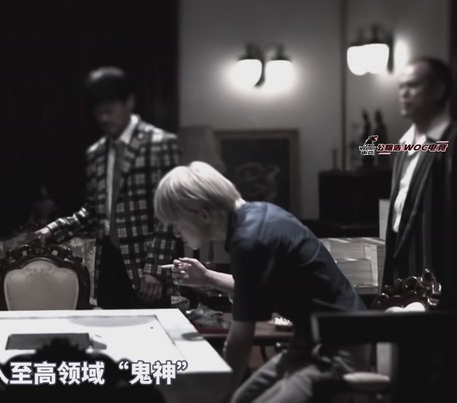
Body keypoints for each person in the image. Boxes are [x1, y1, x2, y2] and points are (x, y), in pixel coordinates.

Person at [154, 161, 367, 402]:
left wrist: (220, 394)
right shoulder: (256, 218)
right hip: (310, 341)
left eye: (177, 223)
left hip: (340, 347)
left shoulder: (249, 240)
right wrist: (206, 277)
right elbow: (253, 286)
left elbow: (240, 340)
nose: (176, 233)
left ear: (204, 214)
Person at [35, 66, 180, 309]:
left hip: (146, 266)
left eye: (110, 110)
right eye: (98, 112)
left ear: (129, 102)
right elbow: (93, 212)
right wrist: (53, 229)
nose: (104, 118)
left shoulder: (159, 144)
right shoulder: (97, 153)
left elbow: (170, 213)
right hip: (109, 266)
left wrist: (155, 269)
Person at [384, 57, 456, 309]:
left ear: (438, 90)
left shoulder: (450, 142)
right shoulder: (404, 145)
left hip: (442, 274)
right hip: (405, 273)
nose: (404, 93)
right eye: (401, 86)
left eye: (413, 85)